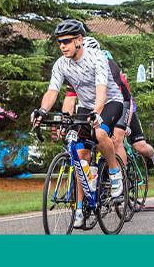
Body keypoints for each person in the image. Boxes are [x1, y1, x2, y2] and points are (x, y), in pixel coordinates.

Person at [31, 19, 124, 228]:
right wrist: (42, 111)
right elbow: (52, 91)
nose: (62, 46)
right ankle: (80, 209)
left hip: (110, 101)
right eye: (59, 42)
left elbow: (101, 91)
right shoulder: (61, 64)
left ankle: (114, 172)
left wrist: (97, 113)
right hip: (86, 106)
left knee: (99, 134)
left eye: (66, 41)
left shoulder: (97, 58)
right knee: (79, 156)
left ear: (79, 40)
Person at [80, 37, 154, 175]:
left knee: (130, 144)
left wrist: (126, 125)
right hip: (103, 107)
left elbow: (125, 100)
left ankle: (126, 175)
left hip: (125, 104)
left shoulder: (111, 69)